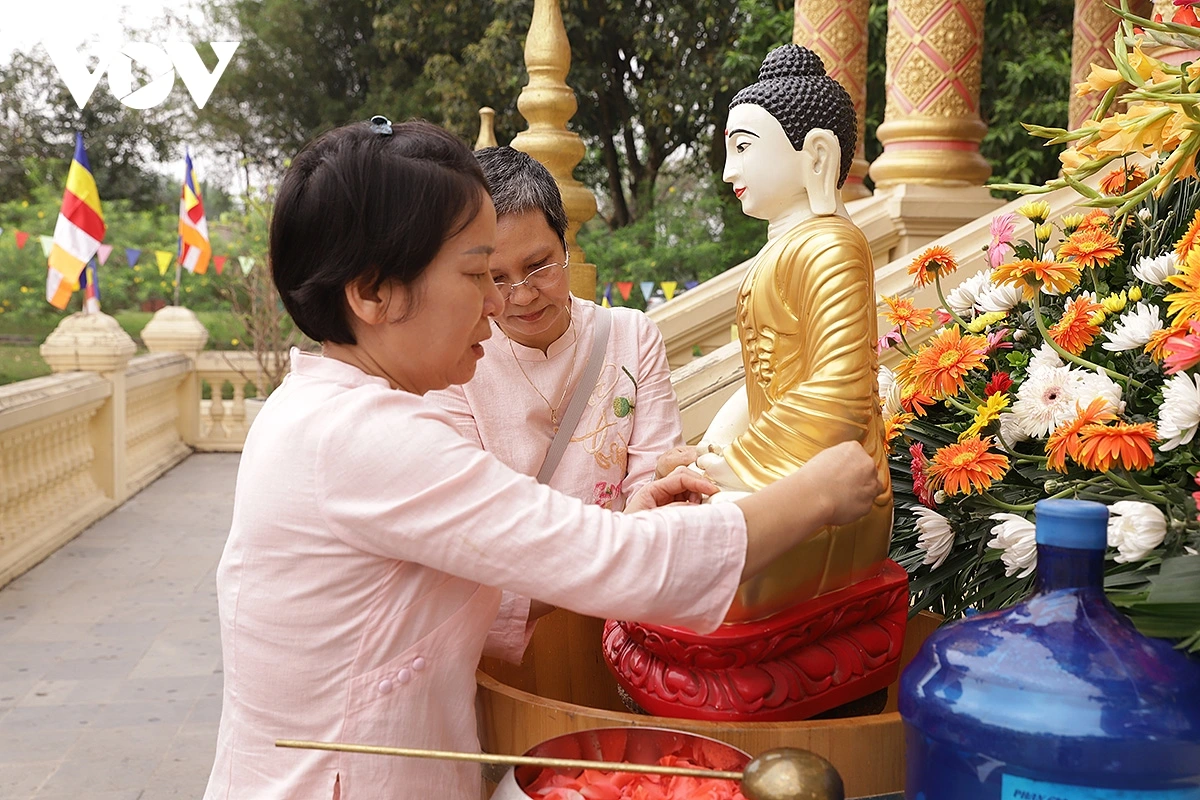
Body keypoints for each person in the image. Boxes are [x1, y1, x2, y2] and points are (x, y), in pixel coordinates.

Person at [202, 116, 882, 800]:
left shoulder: (324, 409)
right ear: (374, 292)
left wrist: (635, 515)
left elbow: (487, 576)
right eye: (478, 274)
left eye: (527, 270)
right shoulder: (363, 437)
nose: (502, 303)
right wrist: (818, 494)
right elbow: (618, 561)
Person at [695, 45, 894, 621]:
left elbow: (841, 392)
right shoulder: (783, 251)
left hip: (836, 486)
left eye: (743, 149)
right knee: (678, 533)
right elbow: (762, 384)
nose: (730, 171)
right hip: (781, 465)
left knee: (706, 555)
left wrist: (741, 462)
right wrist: (717, 447)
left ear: (816, 155)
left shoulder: (831, 245)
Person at [428, 146, 684, 516]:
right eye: (495, 278)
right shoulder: (453, 365)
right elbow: (471, 513)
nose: (523, 295)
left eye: (538, 265)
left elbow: (651, 484)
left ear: (565, 245)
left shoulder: (631, 337)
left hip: (623, 557)